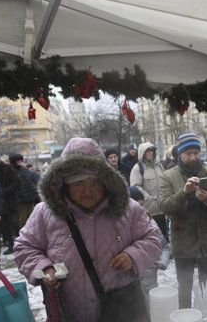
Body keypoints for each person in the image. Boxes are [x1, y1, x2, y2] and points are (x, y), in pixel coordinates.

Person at [14, 138, 161, 322]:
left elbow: (152, 237)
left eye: (95, 183)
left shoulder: (128, 209)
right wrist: (45, 268)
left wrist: (134, 255)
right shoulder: (45, 213)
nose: (88, 192)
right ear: (63, 183)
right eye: (78, 184)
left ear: (107, 183)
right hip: (70, 313)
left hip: (122, 311)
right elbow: (24, 247)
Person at [159, 132, 207, 308]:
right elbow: (164, 206)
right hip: (184, 242)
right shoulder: (168, 176)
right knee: (184, 289)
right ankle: (185, 317)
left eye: (196, 152)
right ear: (180, 154)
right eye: (188, 153)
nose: (193, 156)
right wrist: (184, 192)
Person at [129, 186, 171, 310]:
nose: (139, 209)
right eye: (135, 205)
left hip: (150, 281)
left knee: (153, 311)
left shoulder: (150, 222)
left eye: (141, 205)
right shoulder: (118, 227)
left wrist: (162, 262)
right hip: (129, 286)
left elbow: (164, 247)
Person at [130, 142, 168, 241]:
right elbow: (135, 187)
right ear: (142, 153)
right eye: (148, 151)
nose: (150, 153)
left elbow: (165, 181)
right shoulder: (137, 168)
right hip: (149, 210)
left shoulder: (159, 166)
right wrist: (147, 198)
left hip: (163, 208)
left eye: (152, 151)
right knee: (154, 238)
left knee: (165, 236)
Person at [9, 153, 40, 228]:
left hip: (30, 198)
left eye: (21, 160)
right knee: (23, 221)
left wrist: (36, 195)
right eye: (19, 161)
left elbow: (30, 184)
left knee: (33, 219)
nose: (22, 162)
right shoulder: (10, 171)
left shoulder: (24, 170)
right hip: (20, 201)